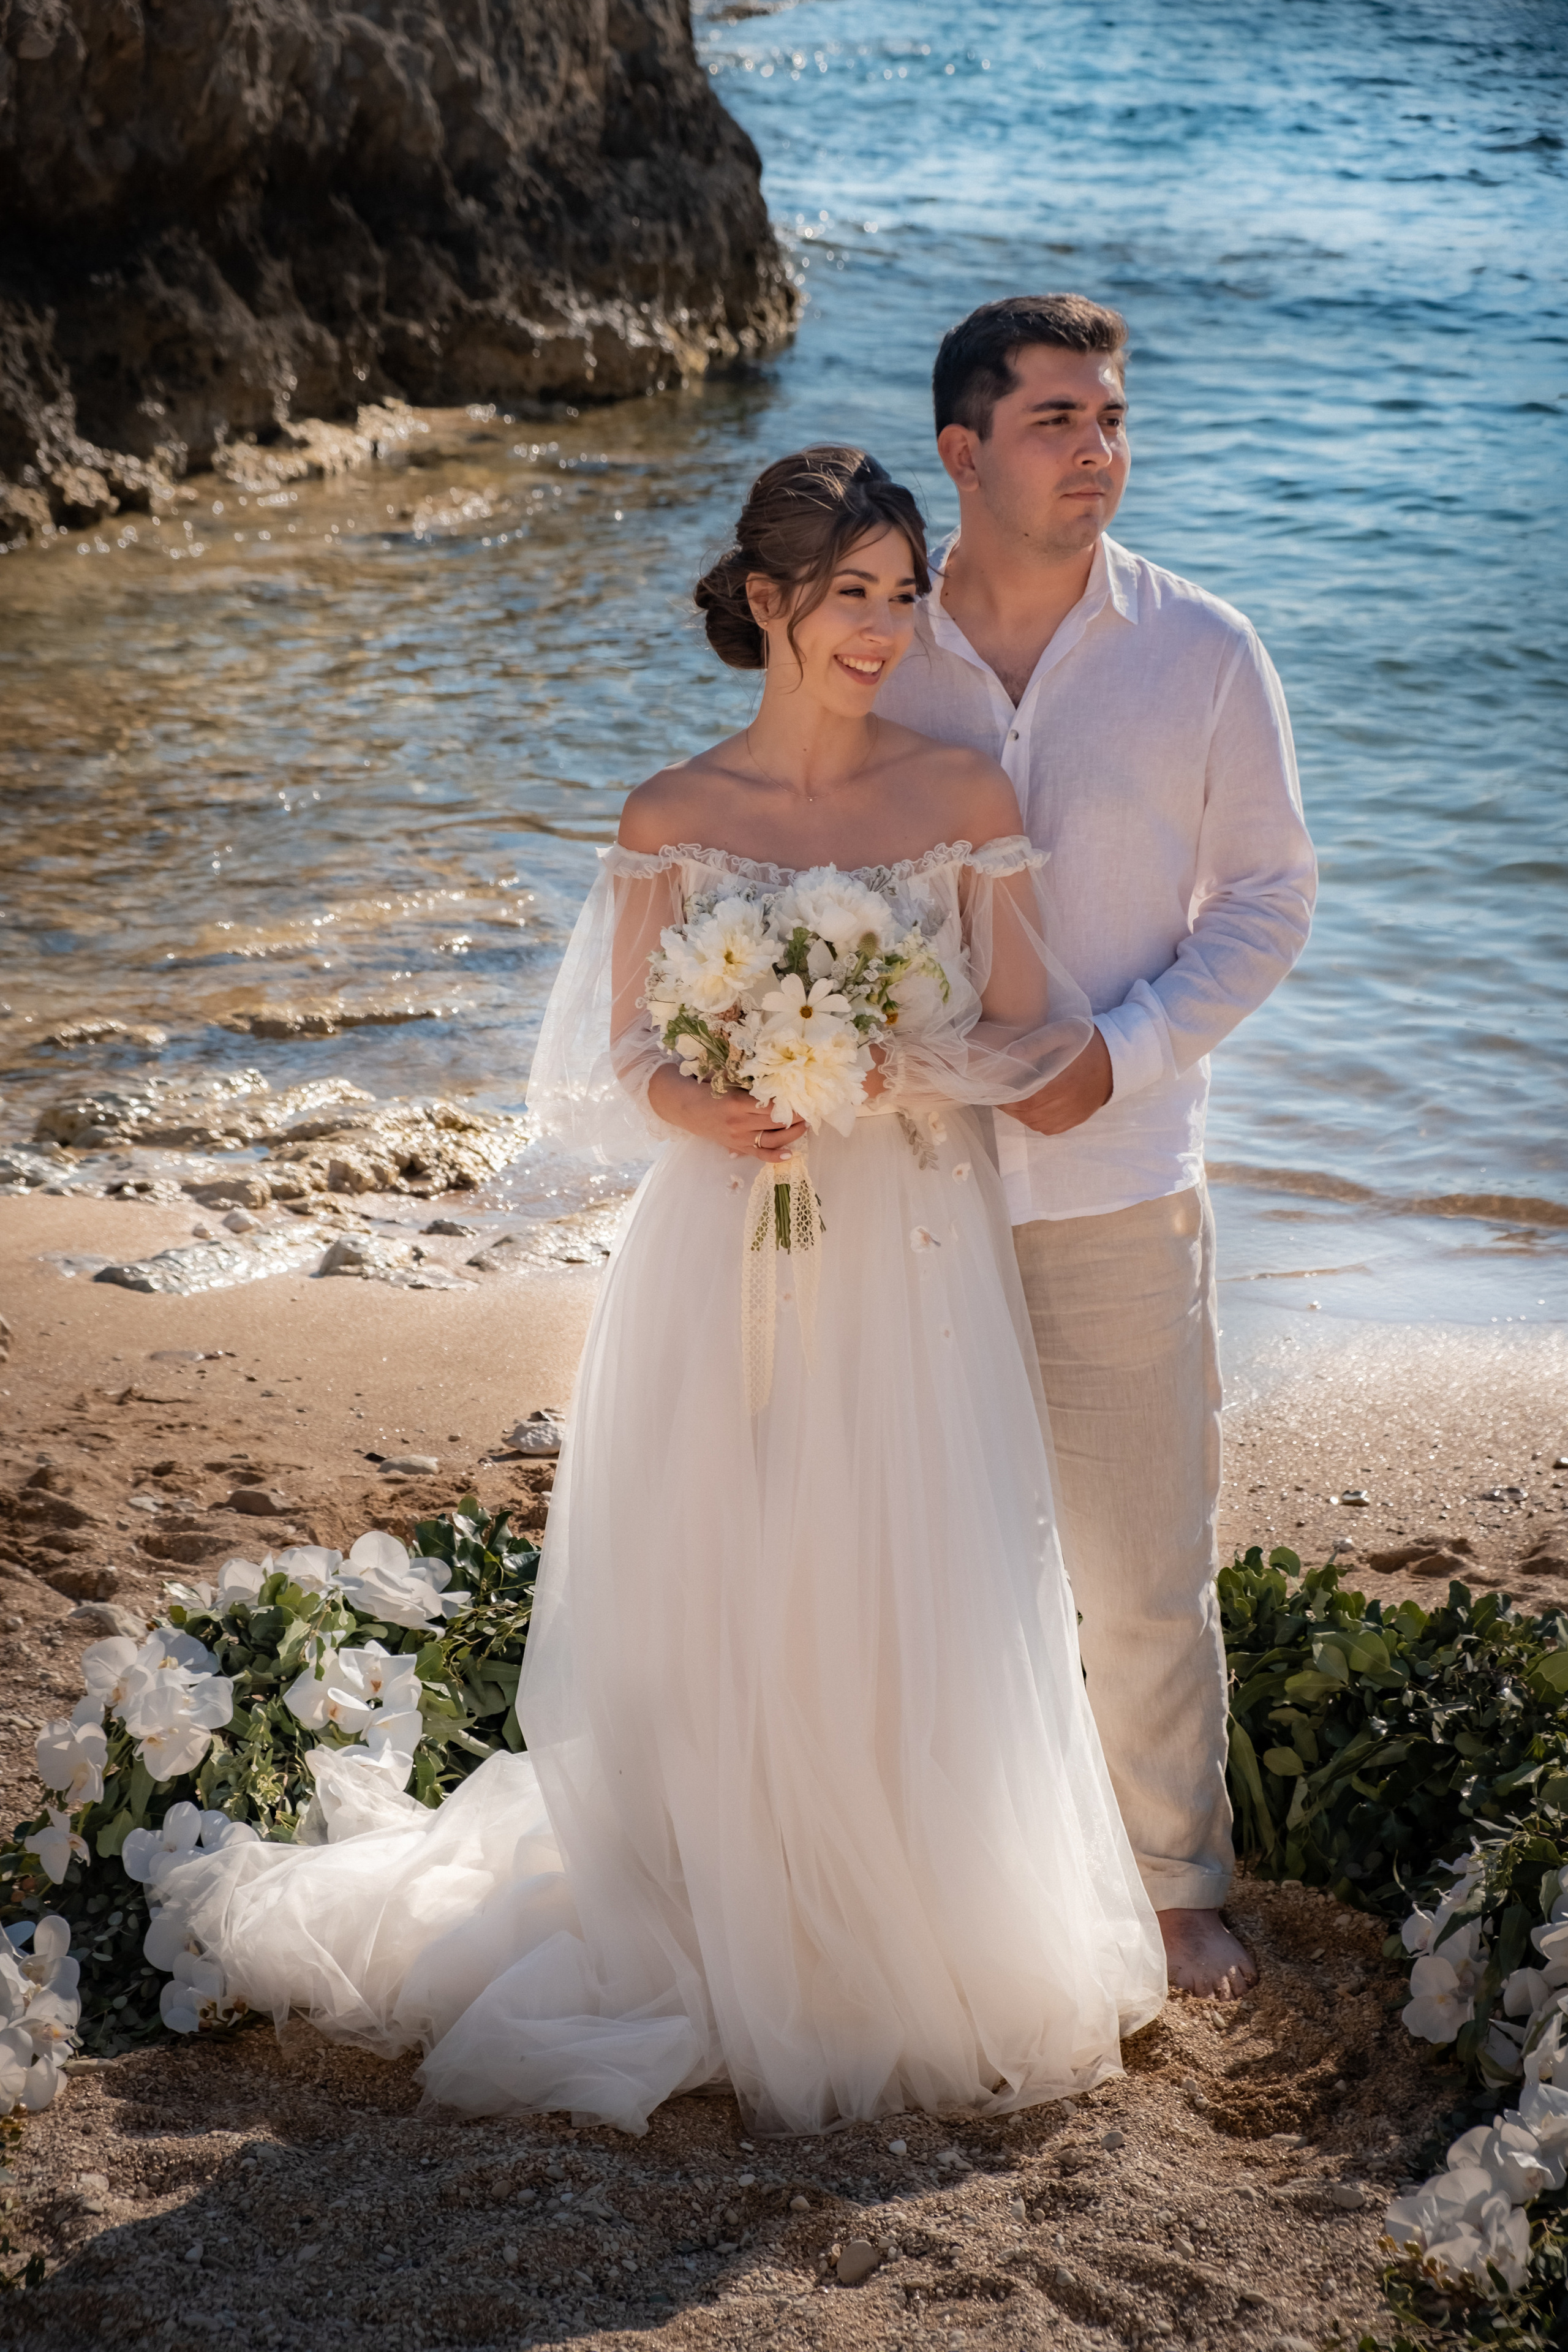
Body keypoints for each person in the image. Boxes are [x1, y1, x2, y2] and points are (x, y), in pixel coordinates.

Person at [148, 447, 1166, 2136]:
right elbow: (620, 1062)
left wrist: (895, 1065)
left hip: (911, 1239)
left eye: (905, 598)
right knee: (732, 1557)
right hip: (724, 1239)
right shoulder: (671, 817)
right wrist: (715, 1098)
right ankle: (721, 1913)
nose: (884, 631)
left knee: (908, 1560)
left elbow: (1019, 1026)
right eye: (853, 597)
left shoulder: (961, 794)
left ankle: (900, 1922)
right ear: (768, 603)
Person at [875, 295, 1317, 1999]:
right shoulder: (876, 647)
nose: (1099, 447)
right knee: (909, 1553)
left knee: (1142, 1568)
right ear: (962, 450)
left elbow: (1272, 899)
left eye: (1113, 416)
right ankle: (925, 1873)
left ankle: (1174, 1885)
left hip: (1119, 1182)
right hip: (895, 1191)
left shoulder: (1204, 649)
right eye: (1058, 418)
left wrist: (1122, 1058)